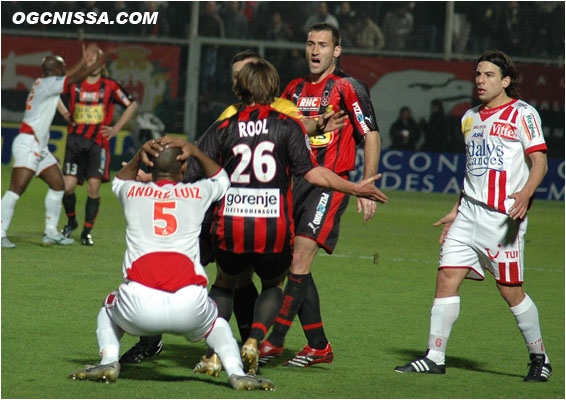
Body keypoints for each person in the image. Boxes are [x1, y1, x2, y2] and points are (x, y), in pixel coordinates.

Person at [147, 59, 386, 376]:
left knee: (224, 284)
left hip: (231, 222)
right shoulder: (287, 126)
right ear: (274, 90)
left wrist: (145, 177)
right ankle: (255, 340)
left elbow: (190, 171)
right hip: (273, 226)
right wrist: (354, 187)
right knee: (274, 283)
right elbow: (313, 173)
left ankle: (214, 353)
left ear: (238, 89)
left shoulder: (225, 127)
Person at [394, 50, 551, 382]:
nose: (480, 80)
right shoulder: (469, 118)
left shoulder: (523, 114)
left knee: (511, 291)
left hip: (503, 219)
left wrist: (525, 193)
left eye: (489, 75)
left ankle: (540, 357)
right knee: (446, 278)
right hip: (467, 214)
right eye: (478, 74)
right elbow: (473, 172)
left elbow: (540, 161)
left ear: (506, 81)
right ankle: (434, 355)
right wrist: (455, 209)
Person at [67, 140, 275, 391]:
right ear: (183, 167)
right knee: (217, 323)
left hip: (139, 304)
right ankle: (236, 373)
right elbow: (222, 179)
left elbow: (120, 181)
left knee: (108, 307)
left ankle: (109, 361)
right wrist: (197, 151)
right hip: (189, 304)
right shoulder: (197, 193)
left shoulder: (132, 192)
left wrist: (138, 156)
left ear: (150, 165)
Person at [260, 23, 382, 369]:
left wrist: (367, 185)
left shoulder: (348, 87)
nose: (315, 51)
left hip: (329, 185)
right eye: (311, 44)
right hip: (293, 185)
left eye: (323, 45)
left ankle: (273, 342)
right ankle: (318, 345)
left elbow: (370, 134)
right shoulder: (294, 88)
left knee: (299, 257)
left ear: (337, 51)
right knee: (293, 264)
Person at [1, 46, 110, 248]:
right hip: (28, 143)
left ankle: (50, 232)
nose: (65, 68)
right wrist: (95, 63)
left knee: (58, 185)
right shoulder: (49, 84)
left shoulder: (45, 83)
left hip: (39, 146)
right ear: (57, 69)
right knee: (17, 188)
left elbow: (68, 78)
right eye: (62, 66)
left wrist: (81, 61)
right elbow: (76, 77)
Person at [60, 43, 138, 246]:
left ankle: (86, 231)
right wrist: (65, 114)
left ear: (101, 63)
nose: (90, 62)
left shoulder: (110, 85)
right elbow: (52, 93)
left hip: (98, 143)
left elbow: (132, 104)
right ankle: (71, 221)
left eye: (94, 59)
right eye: (87, 59)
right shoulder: (74, 83)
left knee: (93, 187)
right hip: (75, 141)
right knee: (67, 186)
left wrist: (116, 128)